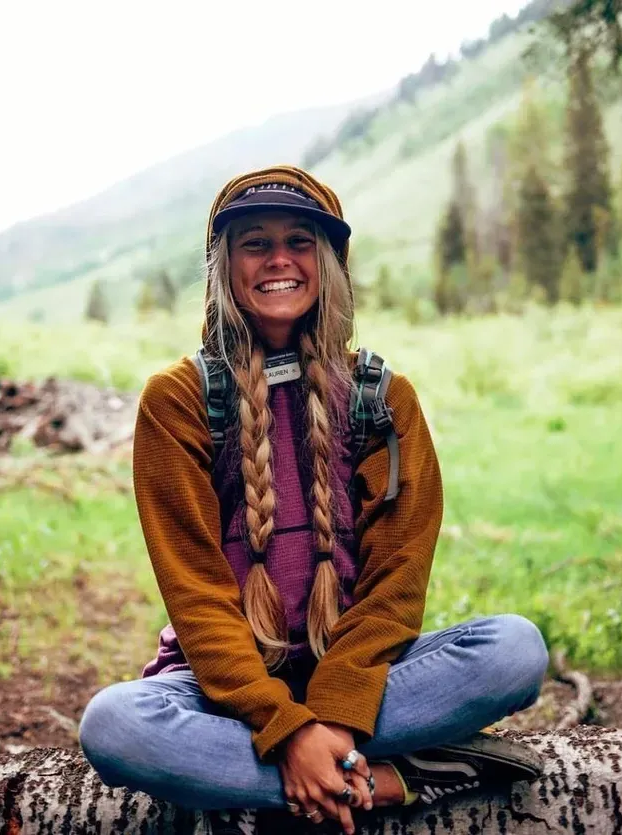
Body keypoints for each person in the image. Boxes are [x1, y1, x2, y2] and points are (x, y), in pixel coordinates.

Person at [79, 165, 549, 835]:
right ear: (224, 266)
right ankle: (390, 779)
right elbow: (198, 596)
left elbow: (396, 583)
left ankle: (266, 784)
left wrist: (327, 717)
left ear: (328, 263)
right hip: (227, 696)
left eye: (300, 240)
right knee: (116, 725)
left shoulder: (382, 398)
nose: (279, 259)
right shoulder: (178, 400)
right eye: (255, 243)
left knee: (514, 649)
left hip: (360, 679)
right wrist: (283, 727)